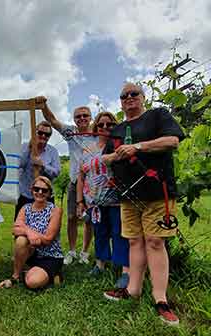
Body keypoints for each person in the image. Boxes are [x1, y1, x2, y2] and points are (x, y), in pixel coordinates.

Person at [102, 83, 185, 326]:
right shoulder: (117, 129)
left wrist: (138, 147)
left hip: (158, 192)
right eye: (124, 96)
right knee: (135, 241)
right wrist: (116, 155)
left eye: (133, 94)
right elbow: (106, 158)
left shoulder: (157, 116)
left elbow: (172, 141)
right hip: (128, 195)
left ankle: (161, 299)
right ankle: (132, 289)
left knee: (155, 241)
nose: (129, 98)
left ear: (143, 97)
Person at [37, 97, 94, 267]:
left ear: (90, 117)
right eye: (78, 116)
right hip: (74, 181)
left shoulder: (97, 133)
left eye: (85, 115)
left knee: (89, 219)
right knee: (71, 217)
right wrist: (43, 105)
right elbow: (52, 120)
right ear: (74, 119)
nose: (82, 118)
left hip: (92, 183)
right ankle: (71, 251)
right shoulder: (70, 133)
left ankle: (84, 252)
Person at [76, 112, 129, 286]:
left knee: (120, 234)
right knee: (100, 233)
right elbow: (81, 175)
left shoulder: (119, 146)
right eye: (101, 125)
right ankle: (100, 264)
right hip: (94, 201)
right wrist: (80, 201)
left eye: (110, 124)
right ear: (96, 127)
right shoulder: (87, 149)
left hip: (116, 200)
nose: (105, 128)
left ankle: (124, 269)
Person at [0, 176, 63, 290]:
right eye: (36, 189)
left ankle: (52, 274)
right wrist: (29, 233)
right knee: (20, 240)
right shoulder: (25, 208)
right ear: (31, 190)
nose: (40, 192)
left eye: (44, 190)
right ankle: (16, 276)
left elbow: (48, 239)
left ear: (49, 193)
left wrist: (27, 230)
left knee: (32, 282)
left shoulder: (55, 210)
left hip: (50, 255)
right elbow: (15, 230)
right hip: (31, 252)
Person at [15, 121, 60, 218]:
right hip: (25, 195)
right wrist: (30, 148)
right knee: (20, 227)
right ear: (34, 133)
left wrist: (43, 166)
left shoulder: (53, 151)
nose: (43, 136)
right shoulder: (24, 146)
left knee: (45, 228)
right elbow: (18, 165)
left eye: (47, 134)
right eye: (40, 133)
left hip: (45, 196)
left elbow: (56, 172)